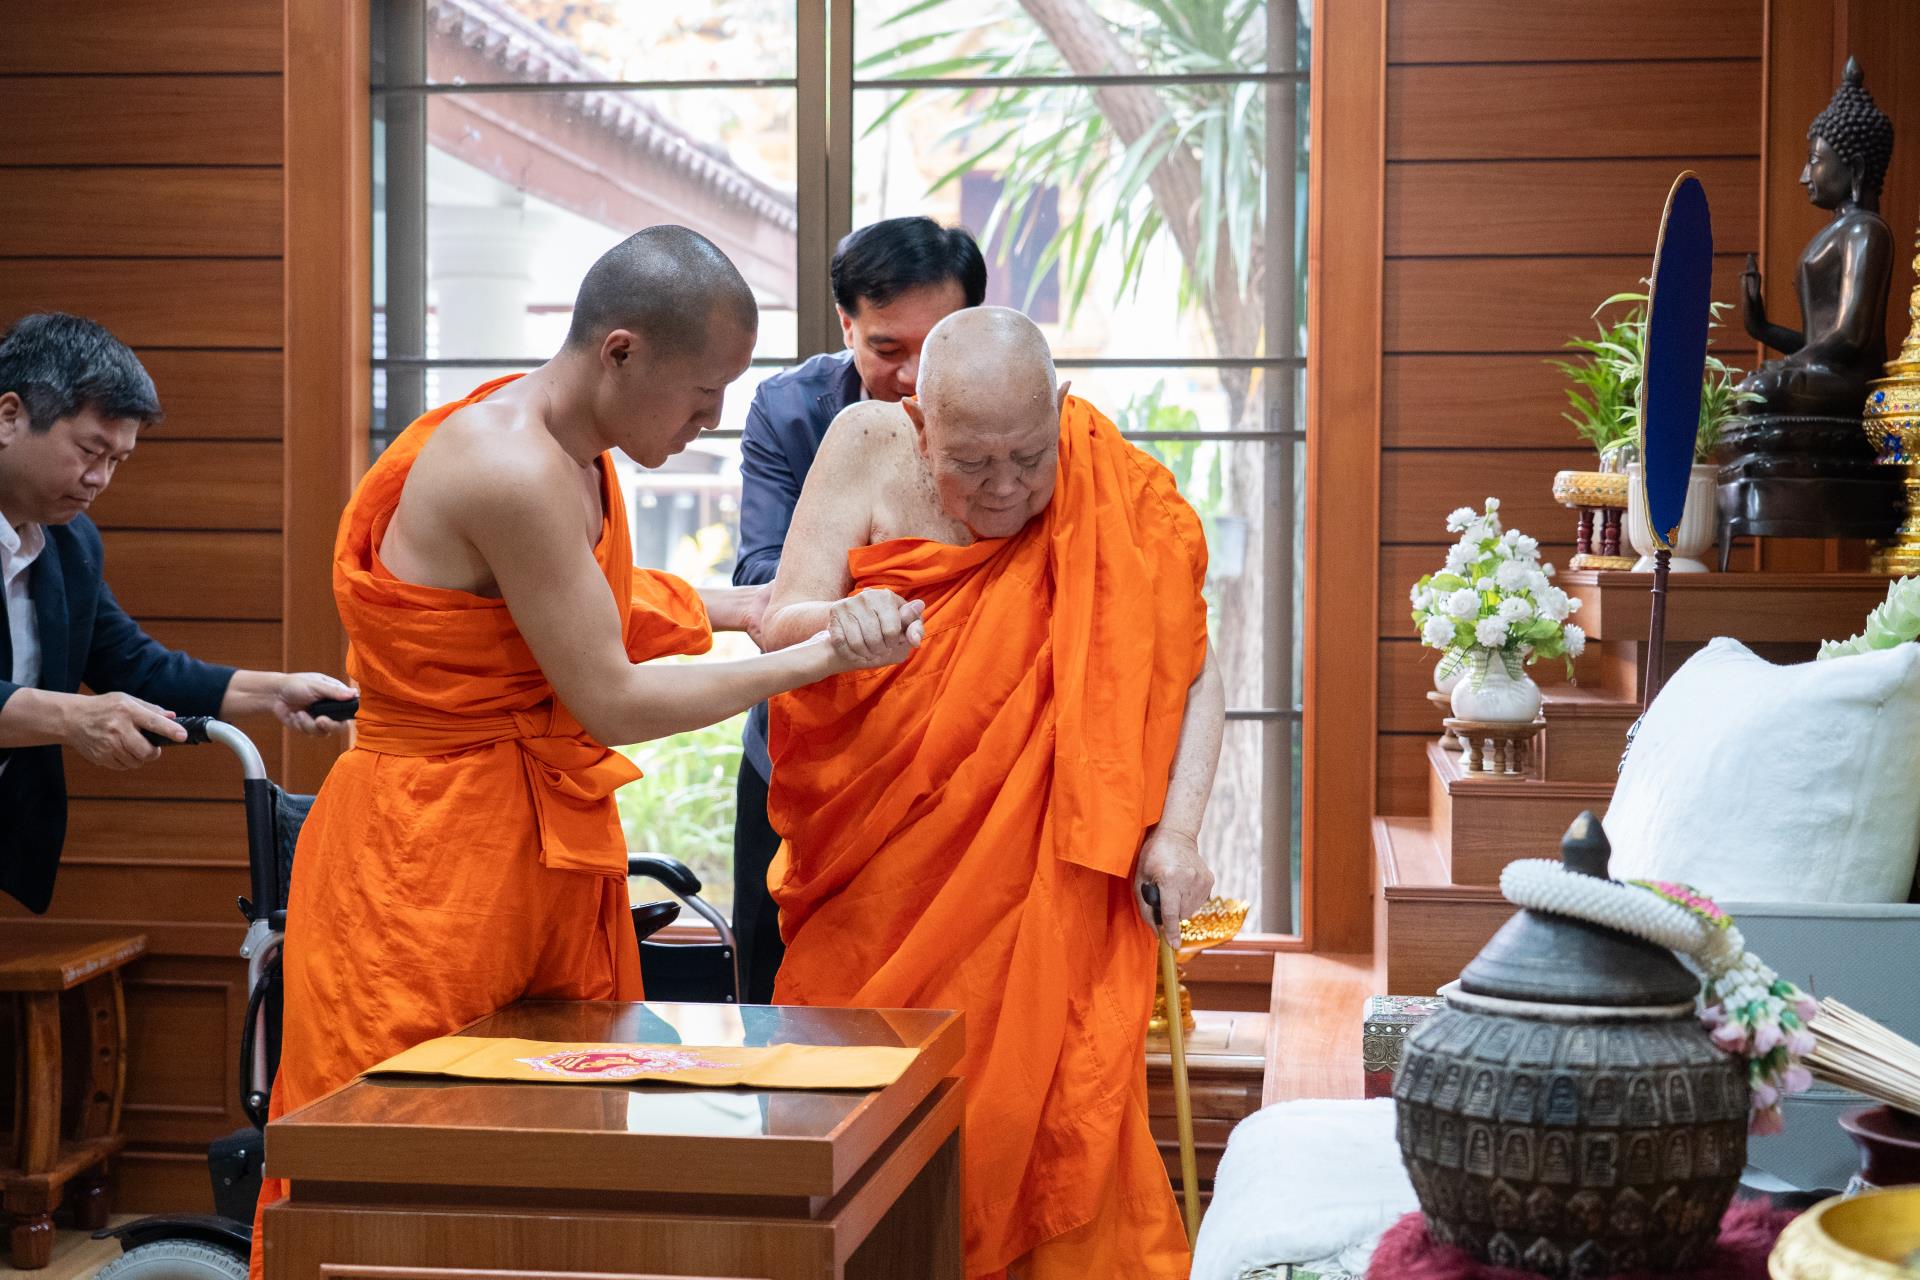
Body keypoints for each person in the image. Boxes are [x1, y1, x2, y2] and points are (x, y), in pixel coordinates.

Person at [248, 227, 921, 1275]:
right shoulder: (508, 464)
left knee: (552, 1147)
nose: (709, 423)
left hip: (532, 846)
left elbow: (579, 599)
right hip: (426, 860)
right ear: (620, 352)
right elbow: (611, 697)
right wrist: (819, 654)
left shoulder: (573, 449)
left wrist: (752, 608)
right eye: (701, 394)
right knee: (410, 1154)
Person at [760, 307, 1223, 1278]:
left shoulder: (1109, 480)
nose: (1006, 486)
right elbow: (780, 618)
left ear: (1059, 410)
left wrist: (1177, 833)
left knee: (1050, 1130)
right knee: (860, 1136)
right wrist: (840, 620)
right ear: (917, 422)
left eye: (1028, 456)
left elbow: (1190, 669)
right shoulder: (864, 443)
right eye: (971, 462)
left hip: (1049, 896)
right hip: (879, 887)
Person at [0, 313, 353, 915]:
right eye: (89, 451)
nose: (98, 479)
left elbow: (135, 667)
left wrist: (276, 692)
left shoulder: (70, 543)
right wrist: (71, 716)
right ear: (10, 417)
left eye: (117, 461)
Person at [731, 215, 985, 1002]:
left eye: (934, 348)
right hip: (802, 750)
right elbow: (764, 577)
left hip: (957, 760)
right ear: (846, 326)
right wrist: (856, 603)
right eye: (886, 348)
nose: (911, 377)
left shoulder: (1012, 415)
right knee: (778, 996)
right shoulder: (790, 410)